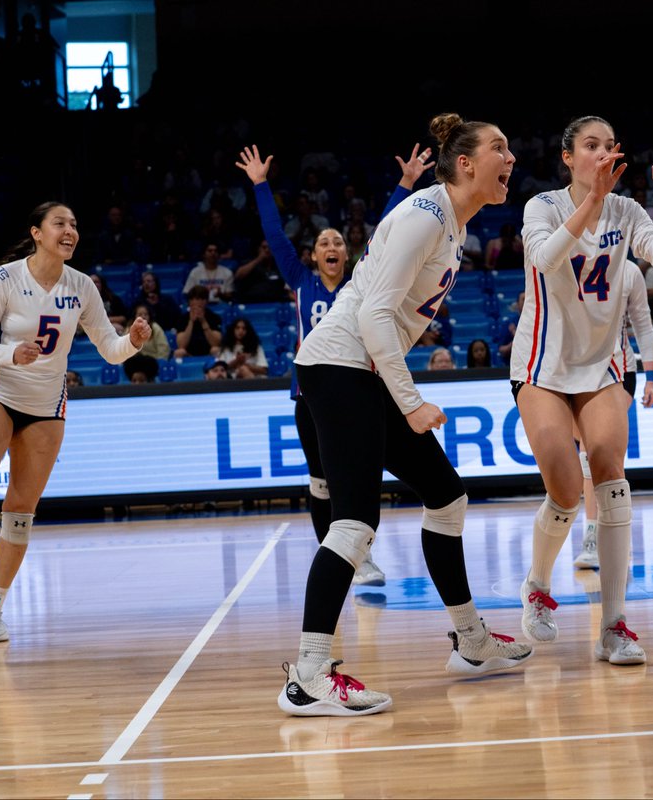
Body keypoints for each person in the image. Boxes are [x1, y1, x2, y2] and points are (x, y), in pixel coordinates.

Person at [274, 114, 533, 716]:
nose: (511, 157)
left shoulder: (453, 225)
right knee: (354, 523)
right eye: (500, 148)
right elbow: (372, 317)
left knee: (446, 494)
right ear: (466, 163)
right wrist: (411, 403)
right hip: (339, 366)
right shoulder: (427, 214)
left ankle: (471, 641)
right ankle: (308, 676)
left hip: (359, 370)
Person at [511, 115, 653, 665]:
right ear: (568, 156)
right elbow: (545, 261)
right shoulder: (541, 207)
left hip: (603, 367)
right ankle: (537, 587)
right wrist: (592, 200)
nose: (601, 153)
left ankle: (614, 626)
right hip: (542, 364)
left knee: (612, 478)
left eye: (609, 146)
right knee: (566, 491)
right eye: (590, 146)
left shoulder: (628, 211)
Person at [0, 202, 150, 642]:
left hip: (46, 404)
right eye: (60, 223)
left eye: (75, 224)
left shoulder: (82, 286)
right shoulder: (5, 279)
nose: (70, 230)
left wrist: (132, 342)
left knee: (20, 512)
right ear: (37, 233)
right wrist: (10, 353)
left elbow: (110, 350)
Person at [238, 142, 431, 585]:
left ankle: (360, 557)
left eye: (338, 242)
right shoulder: (301, 280)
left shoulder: (360, 281)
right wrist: (261, 185)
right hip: (310, 395)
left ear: (348, 255)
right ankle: (336, 556)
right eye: (323, 241)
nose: (331, 245)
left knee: (356, 478)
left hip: (361, 388)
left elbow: (386, 228)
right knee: (321, 481)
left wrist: (405, 184)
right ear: (313, 255)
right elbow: (275, 236)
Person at [573, 258, 653, 569]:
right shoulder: (566, 260)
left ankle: (598, 536)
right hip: (574, 371)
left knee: (599, 452)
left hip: (619, 371)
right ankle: (601, 533)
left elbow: (643, 325)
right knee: (589, 454)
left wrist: (651, 379)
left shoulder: (629, 270)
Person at [174, 285, 222, 357]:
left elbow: (215, 343)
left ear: (206, 301)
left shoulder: (214, 317)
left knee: (216, 350)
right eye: (193, 299)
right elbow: (181, 345)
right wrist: (191, 322)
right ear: (189, 302)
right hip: (189, 354)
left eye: (201, 299)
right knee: (179, 352)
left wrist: (203, 322)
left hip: (209, 353)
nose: (197, 302)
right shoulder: (182, 319)